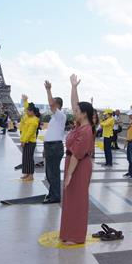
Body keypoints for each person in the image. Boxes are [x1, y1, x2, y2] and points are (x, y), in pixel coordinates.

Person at [59, 74, 95, 245]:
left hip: (79, 166)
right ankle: (68, 232)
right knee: (70, 201)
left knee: (77, 201)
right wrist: (74, 87)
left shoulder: (86, 130)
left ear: (84, 114)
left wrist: (69, 175)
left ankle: (76, 235)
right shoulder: (80, 125)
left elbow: (76, 155)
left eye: (76, 111)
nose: (74, 112)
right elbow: (75, 104)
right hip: (72, 164)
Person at [42, 80, 67, 204]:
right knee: (49, 173)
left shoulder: (60, 115)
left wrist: (48, 90)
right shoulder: (54, 118)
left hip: (54, 147)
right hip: (50, 146)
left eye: (53, 104)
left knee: (53, 173)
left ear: (57, 105)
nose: (51, 105)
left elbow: (51, 103)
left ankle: (55, 196)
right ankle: (52, 193)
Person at [20, 102, 40, 182]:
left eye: (28, 111)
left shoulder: (34, 121)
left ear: (32, 112)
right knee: (25, 158)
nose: (26, 112)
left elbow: (30, 133)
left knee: (29, 159)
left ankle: (31, 175)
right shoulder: (29, 117)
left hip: (30, 142)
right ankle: (27, 174)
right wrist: (25, 101)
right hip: (26, 141)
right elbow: (26, 108)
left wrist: (24, 141)